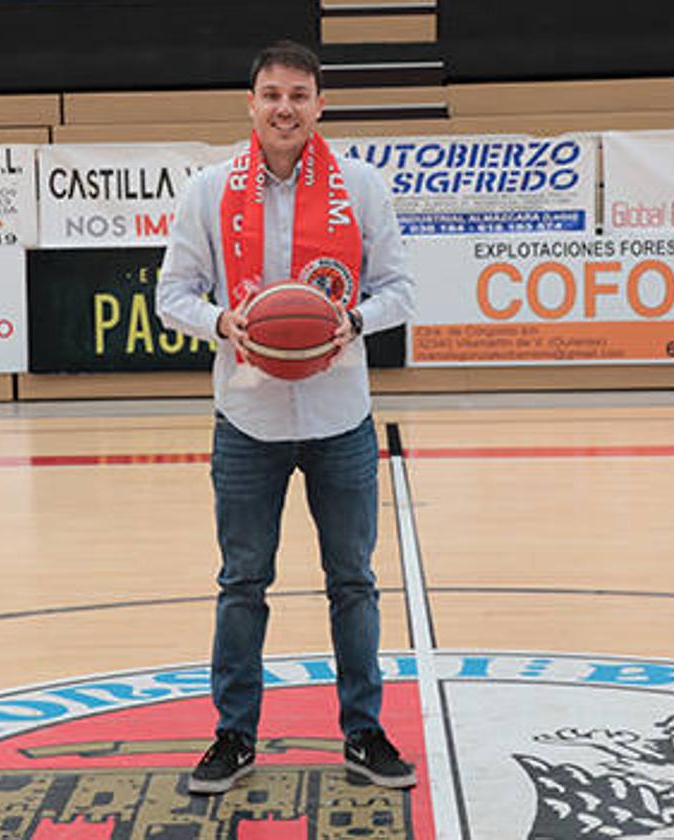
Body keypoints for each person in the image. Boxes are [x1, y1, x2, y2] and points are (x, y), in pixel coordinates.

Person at [155, 40, 417, 795]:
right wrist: (222, 324)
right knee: (242, 583)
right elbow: (172, 296)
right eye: (272, 94)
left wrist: (355, 321)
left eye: (299, 95)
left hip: (341, 414)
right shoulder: (208, 190)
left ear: (319, 106)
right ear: (251, 103)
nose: (285, 108)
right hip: (247, 417)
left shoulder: (361, 188)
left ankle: (363, 732)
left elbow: (400, 290)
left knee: (353, 583)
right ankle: (233, 736)